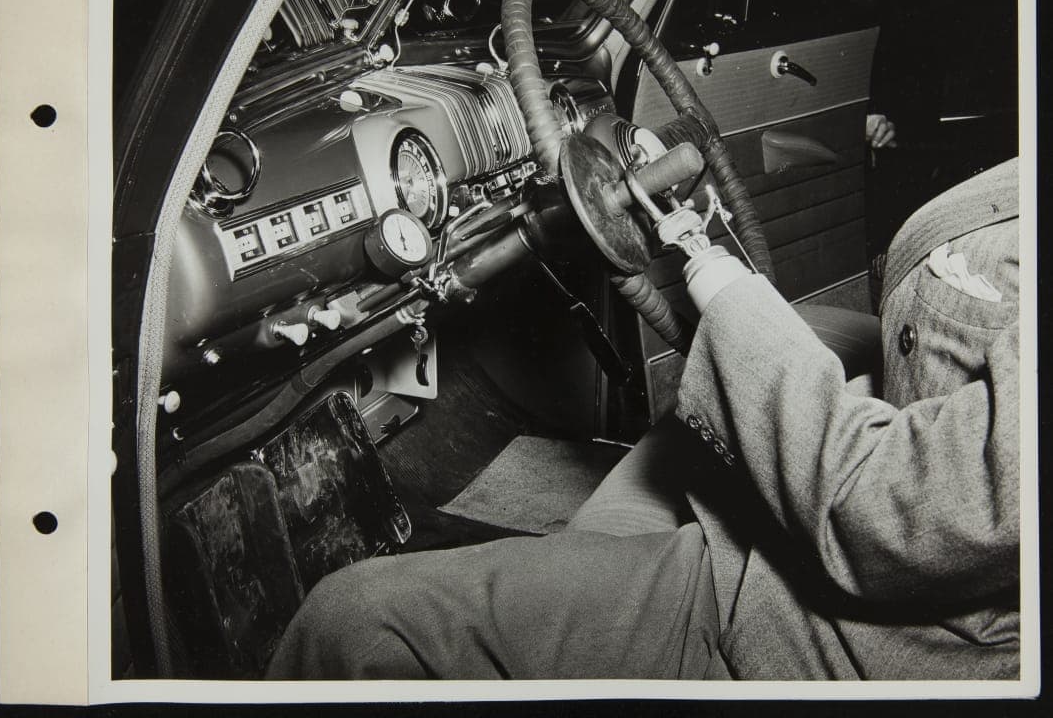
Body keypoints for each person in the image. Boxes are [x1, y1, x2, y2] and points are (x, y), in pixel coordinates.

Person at [266, 157, 1020, 681]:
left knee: (353, 622)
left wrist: (720, 285)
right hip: (783, 580)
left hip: (830, 646)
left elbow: (887, 506)